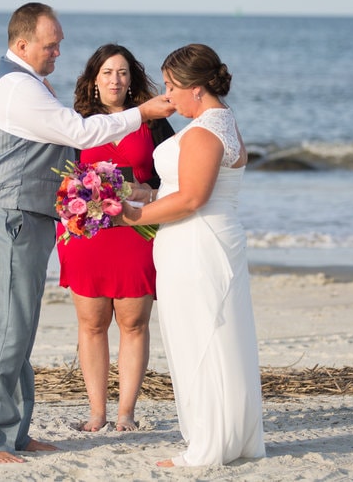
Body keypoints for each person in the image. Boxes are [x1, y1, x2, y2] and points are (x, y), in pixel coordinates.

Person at [0, 3, 175, 464]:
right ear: (22, 45)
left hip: (25, 216)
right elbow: (78, 133)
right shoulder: (17, 85)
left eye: (59, 42)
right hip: (10, 215)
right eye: (50, 43)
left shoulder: (22, 80)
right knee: (6, 329)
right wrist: (140, 113)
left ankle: (14, 434)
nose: (59, 51)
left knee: (18, 331)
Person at [120, 43, 265, 468]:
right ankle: (230, 438)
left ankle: (207, 446)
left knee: (199, 339)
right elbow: (187, 190)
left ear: (197, 89)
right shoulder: (221, 122)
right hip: (209, 240)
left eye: (171, 86)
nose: (166, 96)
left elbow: (192, 198)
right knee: (218, 337)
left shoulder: (204, 130)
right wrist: (146, 193)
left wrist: (135, 216)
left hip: (197, 244)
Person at [56, 44, 175, 433]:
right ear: (92, 81)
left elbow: (173, 178)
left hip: (136, 230)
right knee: (91, 324)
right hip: (88, 235)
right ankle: (96, 413)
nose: (115, 79)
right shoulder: (75, 123)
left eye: (122, 72)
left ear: (132, 79)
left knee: (134, 323)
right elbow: (58, 177)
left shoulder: (153, 122)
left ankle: (125, 413)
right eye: (107, 72)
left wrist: (148, 190)